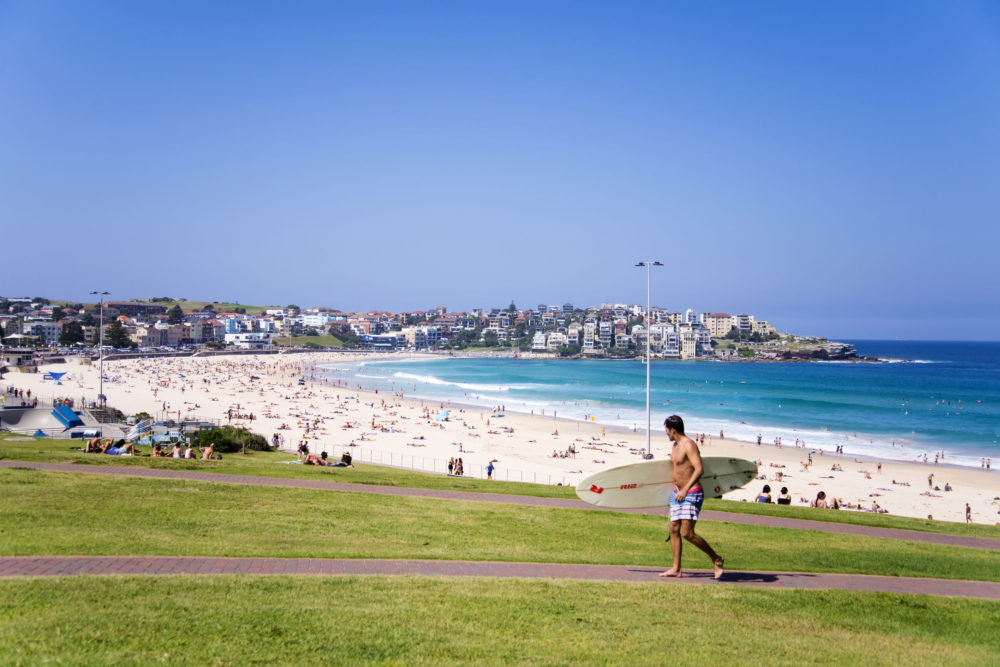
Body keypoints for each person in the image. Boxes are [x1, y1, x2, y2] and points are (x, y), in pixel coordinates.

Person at [659, 415, 724, 580]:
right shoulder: (675, 445)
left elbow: (699, 469)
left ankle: (716, 559)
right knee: (673, 529)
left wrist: (685, 489)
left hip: (691, 493)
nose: (666, 433)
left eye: (667, 430)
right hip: (677, 493)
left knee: (687, 533)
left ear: (673, 430)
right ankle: (676, 569)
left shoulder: (689, 445)